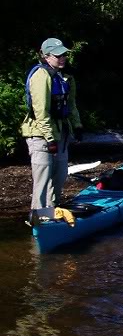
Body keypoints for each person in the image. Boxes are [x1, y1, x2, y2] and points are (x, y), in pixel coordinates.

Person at [21, 37, 83, 218]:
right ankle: (40, 217)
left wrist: (77, 126)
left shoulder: (66, 77)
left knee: (61, 174)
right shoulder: (41, 76)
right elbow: (41, 112)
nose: (62, 58)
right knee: (43, 179)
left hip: (61, 133)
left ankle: (53, 210)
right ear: (46, 56)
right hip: (40, 135)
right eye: (58, 55)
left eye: (64, 54)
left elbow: (71, 105)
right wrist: (50, 140)